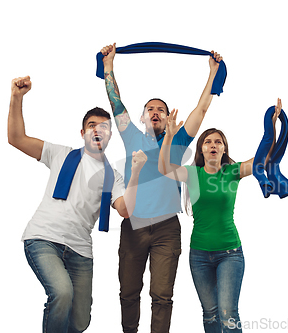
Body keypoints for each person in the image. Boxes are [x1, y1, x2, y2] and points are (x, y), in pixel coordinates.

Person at [7, 75, 147, 333]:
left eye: (104, 127)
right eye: (92, 125)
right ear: (82, 133)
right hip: (43, 238)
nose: (98, 130)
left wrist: (136, 172)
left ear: (109, 136)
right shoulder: (59, 154)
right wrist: (17, 98)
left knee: (81, 321)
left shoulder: (112, 176)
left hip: (80, 251)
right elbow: (16, 138)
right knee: (62, 293)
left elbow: (126, 211)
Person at [99, 43, 223, 333]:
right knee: (128, 293)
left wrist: (213, 74)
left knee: (162, 297)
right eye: (150, 110)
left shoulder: (177, 141)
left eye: (161, 110)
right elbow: (116, 102)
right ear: (141, 118)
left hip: (167, 229)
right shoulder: (130, 136)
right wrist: (108, 67)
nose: (155, 112)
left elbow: (201, 109)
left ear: (168, 118)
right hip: (134, 226)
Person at [158, 99, 282, 332]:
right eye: (207, 141)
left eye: (218, 142)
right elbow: (164, 168)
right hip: (199, 255)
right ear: (201, 149)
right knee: (211, 315)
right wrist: (169, 136)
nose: (213, 145)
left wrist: (271, 126)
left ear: (224, 149)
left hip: (230, 254)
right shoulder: (191, 174)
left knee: (228, 313)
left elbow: (263, 159)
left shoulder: (233, 171)